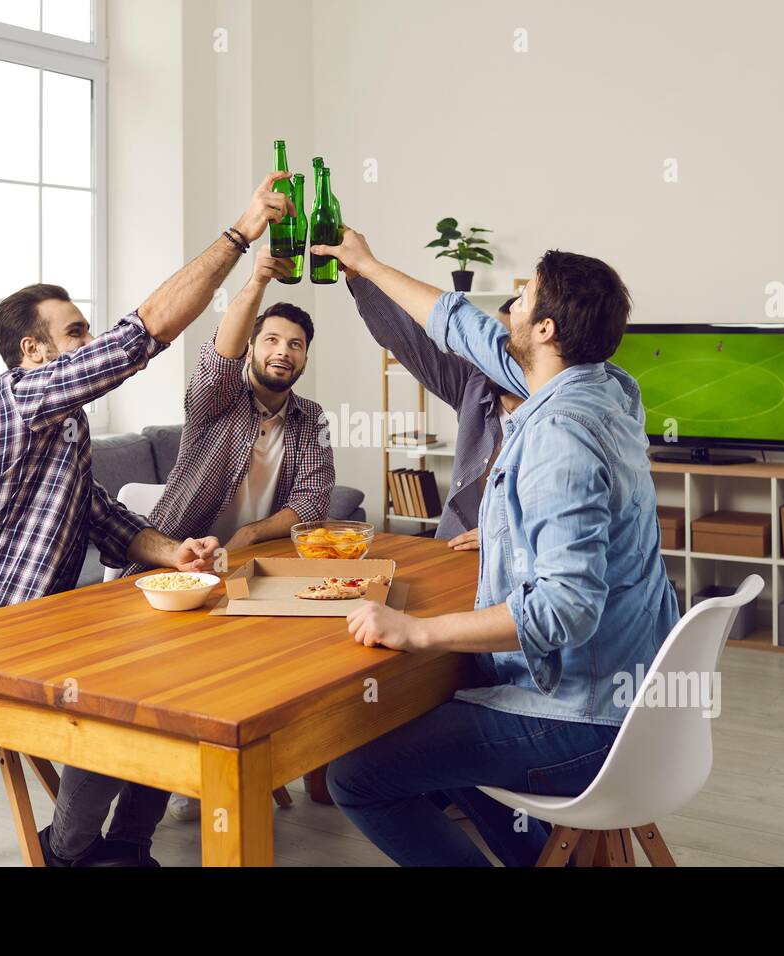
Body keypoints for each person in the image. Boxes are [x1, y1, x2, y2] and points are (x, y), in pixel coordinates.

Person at [0, 172, 295, 866]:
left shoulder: (64, 427)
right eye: (75, 333)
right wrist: (240, 235)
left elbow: (100, 516)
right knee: (121, 694)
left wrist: (173, 553)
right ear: (33, 354)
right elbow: (139, 338)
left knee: (180, 678)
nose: (90, 341)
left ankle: (124, 847)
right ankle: (68, 852)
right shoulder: (17, 400)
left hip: (40, 625)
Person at [309, 227, 680, 867]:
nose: (508, 307)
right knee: (428, 724)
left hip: (587, 720)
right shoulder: (603, 386)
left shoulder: (559, 434)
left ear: (544, 331)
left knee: (357, 776)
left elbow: (566, 609)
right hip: (634, 703)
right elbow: (459, 326)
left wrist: (416, 631)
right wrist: (367, 264)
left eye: (523, 297)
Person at [124, 246, 335, 821]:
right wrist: (258, 278)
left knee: (286, 660)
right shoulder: (216, 401)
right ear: (252, 348)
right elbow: (219, 356)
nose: (282, 352)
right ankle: (156, 784)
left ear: (306, 357)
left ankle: (248, 758)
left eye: (295, 344)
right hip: (172, 569)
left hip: (250, 574)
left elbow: (312, 502)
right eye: (270, 340)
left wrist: (250, 535)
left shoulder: (310, 418)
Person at [346, 272, 521, 551]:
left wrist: (502, 534)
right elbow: (407, 341)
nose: (495, 356)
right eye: (493, 345)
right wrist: (359, 274)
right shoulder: (474, 383)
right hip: (454, 546)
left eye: (508, 347)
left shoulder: (556, 412)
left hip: (517, 555)